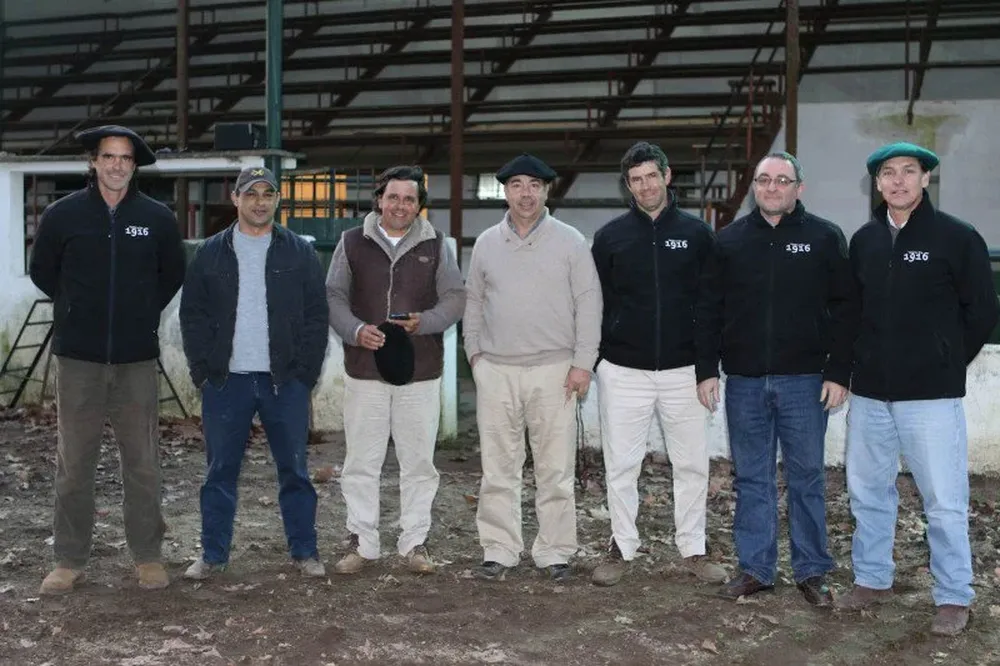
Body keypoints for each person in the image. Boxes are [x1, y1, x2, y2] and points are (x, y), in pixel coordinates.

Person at [836, 142, 999, 636]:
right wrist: (851, 370)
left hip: (930, 397)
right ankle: (872, 578)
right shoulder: (864, 241)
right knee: (867, 493)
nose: (899, 180)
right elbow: (850, 314)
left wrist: (945, 363)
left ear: (926, 179)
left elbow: (982, 312)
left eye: (910, 171)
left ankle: (953, 594)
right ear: (878, 183)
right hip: (870, 395)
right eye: (889, 173)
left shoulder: (957, 237)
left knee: (944, 500)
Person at [29, 125, 186, 594]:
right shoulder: (63, 215)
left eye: (125, 158)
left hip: (136, 360)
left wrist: (138, 314)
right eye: (108, 156)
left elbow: (171, 275)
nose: (116, 165)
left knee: (142, 462)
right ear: (93, 162)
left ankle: (148, 556)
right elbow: (44, 273)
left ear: (134, 166)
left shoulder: (156, 218)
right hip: (79, 360)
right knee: (74, 462)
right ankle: (69, 559)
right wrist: (79, 310)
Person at [699, 152, 858, 606]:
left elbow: (847, 309)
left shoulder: (825, 238)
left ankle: (812, 572)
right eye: (764, 180)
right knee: (752, 478)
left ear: (798, 188)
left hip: (805, 382)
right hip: (745, 382)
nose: (772, 188)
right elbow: (709, 310)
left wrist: (838, 371)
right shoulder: (728, 241)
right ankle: (756, 569)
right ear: (754, 186)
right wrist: (707, 369)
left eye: (782, 181)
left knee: (807, 476)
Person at [179, 166, 330, 580]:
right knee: (219, 472)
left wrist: (305, 373)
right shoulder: (210, 252)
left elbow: (317, 315)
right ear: (236, 199)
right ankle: (212, 555)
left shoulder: (299, 251)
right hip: (227, 381)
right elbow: (191, 315)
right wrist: (203, 371)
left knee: (295, 471)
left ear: (277, 199)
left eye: (267, 193)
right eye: (251, 194)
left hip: (285, 381)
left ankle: (304, 551)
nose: (259, 201)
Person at [589, 141, 726, 587]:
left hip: (684, 370)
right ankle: (622, 545)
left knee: (691, 464)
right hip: (624, 369)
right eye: (636, 179)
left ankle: (693, 547)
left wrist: (708, 368)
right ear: (627, 185)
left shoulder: (697, 233)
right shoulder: (610, 237)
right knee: (621, 464)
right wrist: (597, 360)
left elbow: (711, 304)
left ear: (667, 176)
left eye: (652, 176)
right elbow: (598, 303)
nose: (645, 186)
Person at [463, 153, 602, 582]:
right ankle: (499, 549)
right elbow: (474, 302)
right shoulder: (487, 242)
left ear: (547, 190)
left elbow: (589, 302)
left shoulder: (570, 241)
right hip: (497, 370)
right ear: (505, 190)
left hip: (554, 369)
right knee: (499, 466)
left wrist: (582, 363)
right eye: (517, 184)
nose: (526, 193)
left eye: (535, 185)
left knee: (554, 468)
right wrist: (475, 356)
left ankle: (555, 551)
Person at [326, 165, 465, 575]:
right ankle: (362, 541)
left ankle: (415, 542)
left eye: (409, 198)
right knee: (361, 462)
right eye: (393, 197)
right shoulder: (352, 242)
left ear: (419, 205)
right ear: (379, 200)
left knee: (419, 462)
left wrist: (427, 321)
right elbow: (333, 295)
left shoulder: (436, 245)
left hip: (420, 371)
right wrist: (355, 331)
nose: (400, 205)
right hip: (364, 370)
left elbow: (455, 297)